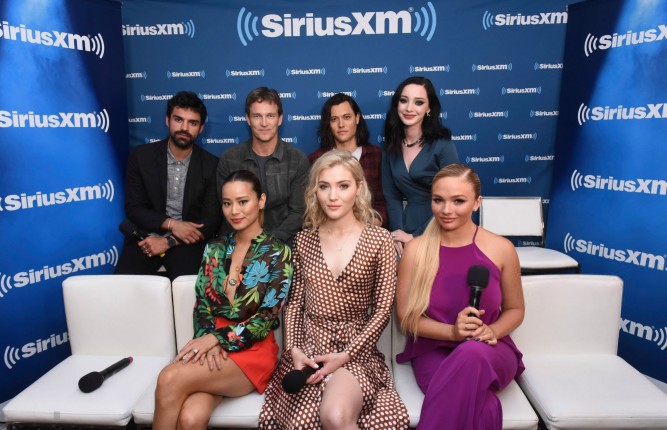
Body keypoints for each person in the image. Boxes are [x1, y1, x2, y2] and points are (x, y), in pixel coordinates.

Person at [259, 150, 409, 429]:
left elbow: (382, 311)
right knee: (301, 423)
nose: (332, 196)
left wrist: (348, 354)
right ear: (314, 190)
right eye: (324, 186)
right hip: (309, 350)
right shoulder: (303, 241)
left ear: (359, 188)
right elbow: (295, 304)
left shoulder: (379, 240)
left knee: (336, 415)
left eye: (343, 186)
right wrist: (294, 349)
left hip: (355, 351)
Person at [153, 170, 292, 430]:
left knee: (169, 378)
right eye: (227, 203)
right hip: (211, 344)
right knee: (191, 418)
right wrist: (209, 340)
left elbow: (265, 319)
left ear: (261, 201)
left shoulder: (278, 252)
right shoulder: (214, 248)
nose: (234, 211)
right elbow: (202, 304)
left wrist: (218, 339)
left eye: (243, 201)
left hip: (253, 351)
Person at [395, 164, 525, 430]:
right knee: (485, 407)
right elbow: (407, 319)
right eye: (438, 200)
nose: (446, 210)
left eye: (458, 201)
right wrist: (453, 333)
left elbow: (515, 309)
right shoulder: (416, 250)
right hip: (433, 351)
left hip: (489, 350)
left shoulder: (502, 248)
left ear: (477, 203)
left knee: (472, 352)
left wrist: (492, 330)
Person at [115, 91, 221, 281]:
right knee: (124, 289)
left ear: (201, 128)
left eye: (192, 123)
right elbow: (134, 208)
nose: (184, 128)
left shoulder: (212, 165)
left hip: (186, 242)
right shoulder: (141, 157)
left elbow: (210, 219)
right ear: (167, 120)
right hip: (145, 237)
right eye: (178, 120)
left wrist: (169, 241)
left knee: (191, 292)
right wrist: (172, 224)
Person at [217, 86, 309, 245]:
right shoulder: (229, 159)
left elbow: (298, 212)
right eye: (257, 116)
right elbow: (226, 208)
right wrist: (249, 243)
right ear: (248, 119)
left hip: (283, 244)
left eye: (270, 116)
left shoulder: (297, 160)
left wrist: (267, 244)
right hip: (239, 242)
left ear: (280, 119)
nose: (264, 123)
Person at [382, 76, 459, 255]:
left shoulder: (443, 145)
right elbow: (392, 197)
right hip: (405, 228)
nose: (409, 108)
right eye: (404, 100)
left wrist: (416, 236)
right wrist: (398, 234)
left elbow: (452, 197)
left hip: (441, 227)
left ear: (429, 108)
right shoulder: (389, 147)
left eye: (418, 102)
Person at [309, 93, 388, 226]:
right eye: (334, 119)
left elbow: (383, 206)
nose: (341, 124)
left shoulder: (377, 156)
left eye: (346, 117)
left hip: (368, 230)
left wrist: (362, 229)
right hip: (328, 231)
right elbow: (311, 206)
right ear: (328, 123)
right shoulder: (315, 160)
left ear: (357, 118)